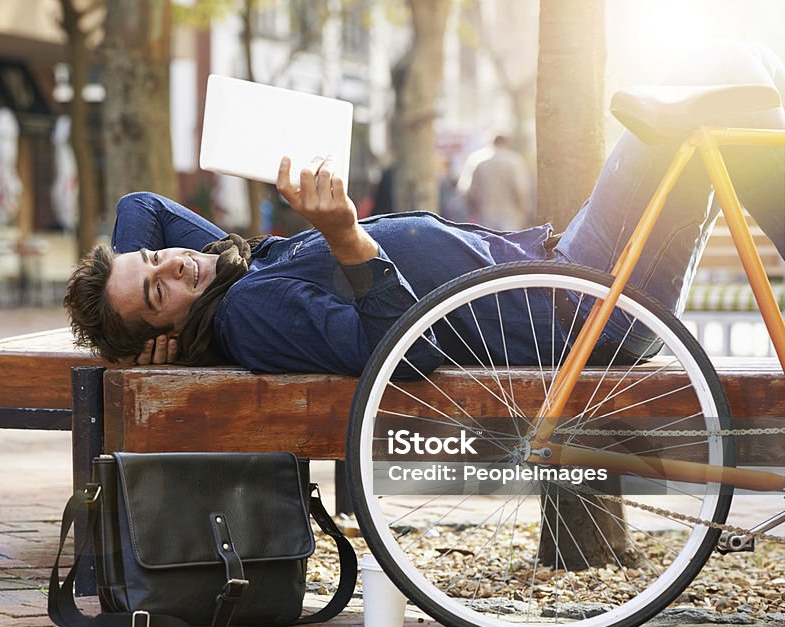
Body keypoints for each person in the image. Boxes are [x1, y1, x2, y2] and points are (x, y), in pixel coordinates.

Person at [65, 41, 784, 376]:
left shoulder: (223, 278)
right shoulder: (249, 313)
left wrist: (131, 298)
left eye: (158, 259)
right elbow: (398, 354)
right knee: (722, 77)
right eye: (159, 290)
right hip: (582, 306)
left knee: (727, 111)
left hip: (573, 286)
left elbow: (142, 205)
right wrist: (347, 239)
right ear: (173, 328)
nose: (176, 265)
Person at [457, 134, 532, 231]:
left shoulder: (477, 160)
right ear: (507, 143)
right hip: (509, 214)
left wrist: (472, 210)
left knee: (486, 242)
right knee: (509, 242)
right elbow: (521, 189)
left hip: (485, 213)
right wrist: (524, 210)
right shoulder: (514, 161)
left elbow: (467, 190)